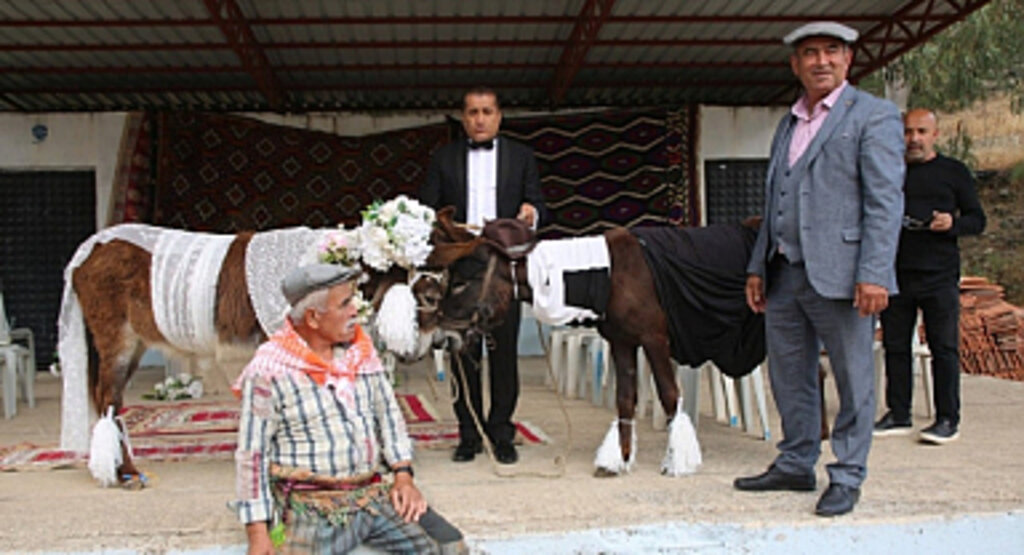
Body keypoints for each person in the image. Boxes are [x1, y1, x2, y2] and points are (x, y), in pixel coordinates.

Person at [737, 21, 905, 517]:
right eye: (810, 53)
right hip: (784, 271)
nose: (821, 61)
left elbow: (885, 201)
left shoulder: (873, 115)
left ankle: (848, 474)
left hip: (845, 273)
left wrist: (874, 272)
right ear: (796, 65)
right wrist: (757, 266)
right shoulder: (788, 122)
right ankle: (795, 462)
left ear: (849, 60)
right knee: (789, 374)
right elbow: (774, 199)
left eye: (832, 51)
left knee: (853, 378)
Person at [231, 263, 465, 554]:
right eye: (344, 304)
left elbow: (389, 417)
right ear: (313, 318)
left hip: (371, 498)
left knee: (450, 546)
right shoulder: (269, 370)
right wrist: (257, 533)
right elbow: (252, 455)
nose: (355, 310)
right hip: (311, 511)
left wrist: (403, 476)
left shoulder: (361, 352)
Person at [419, 86, 548, 464]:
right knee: (463, 353)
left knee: (503, 353)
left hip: (502, 264)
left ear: (498, 116)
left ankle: (502, 432)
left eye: (487, 111)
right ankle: (469, 433)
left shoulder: (521, 157)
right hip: (462, 262)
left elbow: (539, 205)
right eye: (473, 112)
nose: (479, 119)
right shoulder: (444, 158)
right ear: (463, 118)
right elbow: (426, 207)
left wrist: (532, 214)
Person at [874, 108, 986, 444]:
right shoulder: (889, 171)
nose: (914, 139)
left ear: (935, 135)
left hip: (939, 275)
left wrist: (952, 224)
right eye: (908, 132)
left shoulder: (954, 171)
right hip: (896, 273)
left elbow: (977, 220)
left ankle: (948, 418)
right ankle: (899, 413)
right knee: (895, 346)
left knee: (944, 348)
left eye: (921, 132)